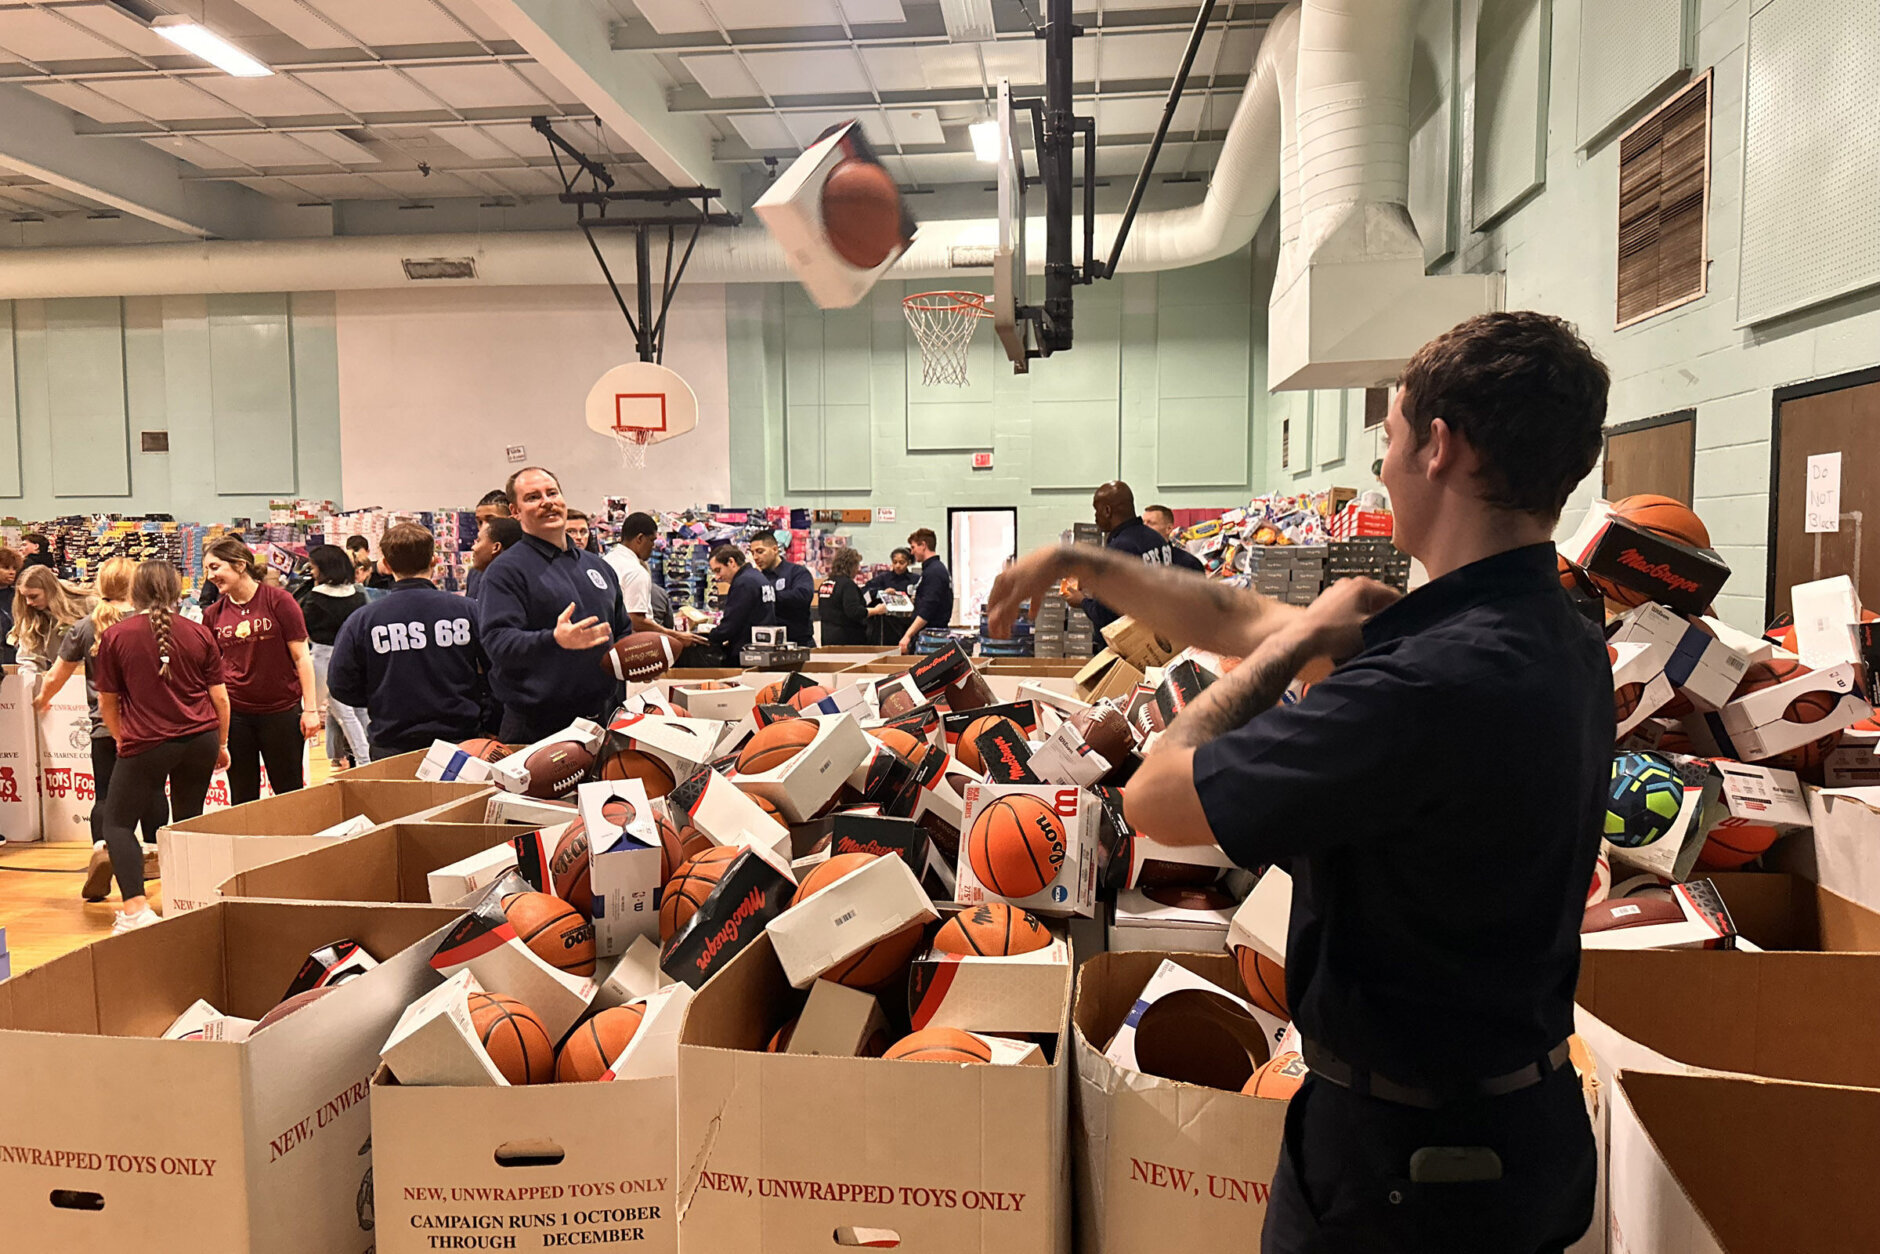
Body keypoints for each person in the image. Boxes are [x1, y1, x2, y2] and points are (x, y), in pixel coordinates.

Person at [988, 311, 1609, 1254]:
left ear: (1439, 447)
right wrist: (1083, 564)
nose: (1381, 464)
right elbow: (1242, 618)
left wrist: (1296, 645)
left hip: (1407, 1176)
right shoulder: (1544, 625)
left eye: (1389, 436)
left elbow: (1159, 793)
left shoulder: (1428, 685)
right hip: (1512, 1132)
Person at [92, 560, 230, 933]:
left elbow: (108, 701)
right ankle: (187, 899)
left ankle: (136, 910)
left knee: (117, 824)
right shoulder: (199, 633)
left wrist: (122, 737)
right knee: (188, 821)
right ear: (177, 590)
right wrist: (221, 743)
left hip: (149, 740)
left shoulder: (116, 636)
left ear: (134, 592)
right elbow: (220, 698)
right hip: (200, 737)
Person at [33, 557, 165, 901]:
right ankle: (155, 856)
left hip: (103, 727)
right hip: (149, 727)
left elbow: (56, 676)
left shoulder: (84, 627)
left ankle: (103, 853)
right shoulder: (151, 623)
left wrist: (42, 700)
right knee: (152, 792)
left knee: (105, 795)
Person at [477, 466, 628, 743]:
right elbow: (497, 643)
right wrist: (554, 640)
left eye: (552, 492)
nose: (547, 501)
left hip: (603, 718)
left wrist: (640, 658)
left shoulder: (598, 567)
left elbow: (622, 631)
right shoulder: (505, 571)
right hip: (537, 727)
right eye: (533, 497)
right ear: (515, 511)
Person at [329, 523, 488, 759]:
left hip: (392, 743)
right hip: (462, 741)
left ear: (387, 565)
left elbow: (340, 683)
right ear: (434, 560)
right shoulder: (468, 611)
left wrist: (379, 697)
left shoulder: (363, 620)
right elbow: (498, 669)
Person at [201, 536, 320, 803]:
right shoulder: (213, 615)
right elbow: (210, 672)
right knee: (242, 794)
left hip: (281, 711)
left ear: (240, 565)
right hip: (236, 715)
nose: (210, 576)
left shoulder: (279, 601)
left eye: (215, 567)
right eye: (207, 569)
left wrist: (311, 709)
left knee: (288, 791)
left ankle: (294, 843)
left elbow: (302, 657)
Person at [1066, 482, 1184, 637]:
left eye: (1097, 510)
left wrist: (1081, 601)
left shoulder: (1120, 548)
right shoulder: (1157, 539)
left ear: (1107, 511)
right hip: (1157, 637)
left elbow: (1106, 615)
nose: (1095, 516)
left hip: (1128, 646)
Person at [298, 544, 372, 769]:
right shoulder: (358, 595)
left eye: (314, 567)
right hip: (354, 657)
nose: (312, 571)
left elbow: (302, 628)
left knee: (339, 711)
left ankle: (365, 760)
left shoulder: (313, 597)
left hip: (323, 657)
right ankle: (365, 756)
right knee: (356, 710)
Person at [605, 512, 704, 649]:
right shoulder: (635, 571)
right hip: (630, 649)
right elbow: (635, 621)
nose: (653, 547)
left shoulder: (606, 561)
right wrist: (674, 635)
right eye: (651, 540)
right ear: (640, 538)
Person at [692, 545, 777, 664]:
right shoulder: (758, 577)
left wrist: (707, 637)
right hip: (761, 647)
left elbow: (731, 624)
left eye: (718, 570)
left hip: (746, 653)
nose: (717, 577)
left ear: (731, 562)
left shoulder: (743, 582)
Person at [11, 565, 93, 671]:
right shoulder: (30, 616)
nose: (28, 602)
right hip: (61, 676)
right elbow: (29, 659)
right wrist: (29, 681)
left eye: (33, 596)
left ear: (50, 590)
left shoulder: (88, 605)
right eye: (24, 597)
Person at [749, 533, 815, 646]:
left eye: (760, 552)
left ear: (775, 549)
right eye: (752, 553)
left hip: (799, 642)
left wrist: (769, 596)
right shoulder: (756, 578)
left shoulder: (797, 572)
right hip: (767, 643)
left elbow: (803, 596)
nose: (755, 557)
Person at [900, 528, 951, 654]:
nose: (912, 552)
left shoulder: (934, 572)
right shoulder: (933, 570)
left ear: (923, 545)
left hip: (931, 639)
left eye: (913, 547)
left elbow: (928, 609)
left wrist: (908, 635)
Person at [863, 546, 915, 647]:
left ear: (908, 562)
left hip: (907, 623)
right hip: (885, 625)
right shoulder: (883, 578)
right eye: (895, 562)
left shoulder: (915, 579)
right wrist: (881, 593)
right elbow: (865, 593)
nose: (898, 566)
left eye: (901, 562)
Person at [818, 548, 870, 646]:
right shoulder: (847, 585)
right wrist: (876, 610)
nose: (858, 569)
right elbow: (854, 611)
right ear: (851, 566)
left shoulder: (826, 583)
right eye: (857, 565)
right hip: (847, 638)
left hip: (828, 636)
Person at [467, 516, 522, 602]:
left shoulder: (509, 582)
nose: (473, 547)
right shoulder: (474, 574)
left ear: (496, 547)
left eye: (478, 541)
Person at [1144, 503, 1206, 572]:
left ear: (1169, 528)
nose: (1144, 527)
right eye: (1143, 523)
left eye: (1151, 523)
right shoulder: (1135, 559)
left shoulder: (1188, 563)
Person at [0, 547, 19, 666]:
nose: (12, 572)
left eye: (14, 568)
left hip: (12, 655)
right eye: (6, 568)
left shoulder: (19, 596)